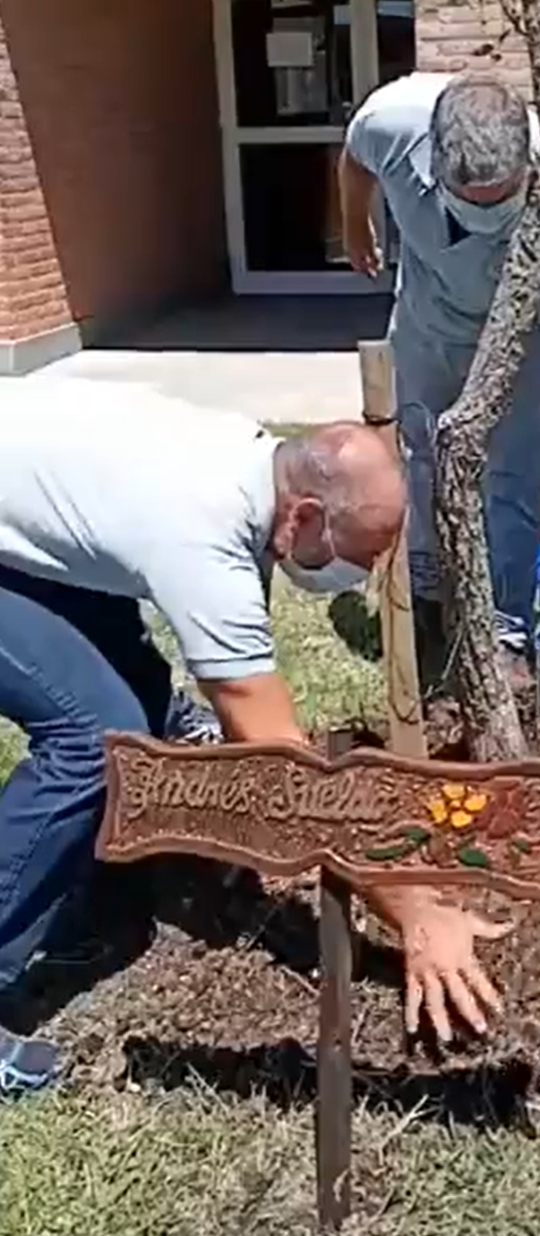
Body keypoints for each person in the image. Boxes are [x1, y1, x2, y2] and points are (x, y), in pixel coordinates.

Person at [0, 379, 510, 1098]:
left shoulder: (249, 460)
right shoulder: (200, 531)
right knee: (96, 738)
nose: (360, 579)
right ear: (300, 514)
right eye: (356, 556)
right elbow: (292, 772)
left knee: (140, 709)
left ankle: (99, 886)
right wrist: (416, 912)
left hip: (31, 507)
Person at [335, 71, 540, 684]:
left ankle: (508, 629)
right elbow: (355, 160)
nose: (484, 216)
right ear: (435, 163)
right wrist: (356, 223)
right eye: (469, 202)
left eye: (499, 201)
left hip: (523, 340)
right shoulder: (391, 123)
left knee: (510, 475)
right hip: (429, 321)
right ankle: (433, 602)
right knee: (423, 458)